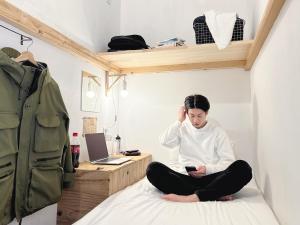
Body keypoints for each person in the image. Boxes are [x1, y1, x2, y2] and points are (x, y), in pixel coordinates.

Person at [146, 94, 252, 202]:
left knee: (243, 168)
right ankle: (212, 194)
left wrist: (207, 169)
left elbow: (228, 162)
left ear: (206, 113)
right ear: (186, 113)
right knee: (153, 168)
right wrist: (179, 121)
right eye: (192, 115)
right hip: (185, 179)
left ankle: (193, 196)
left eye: (199, 115)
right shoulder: (182, 128)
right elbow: (164, 142)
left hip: (211, 178)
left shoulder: (217, 132)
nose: (195, 120)